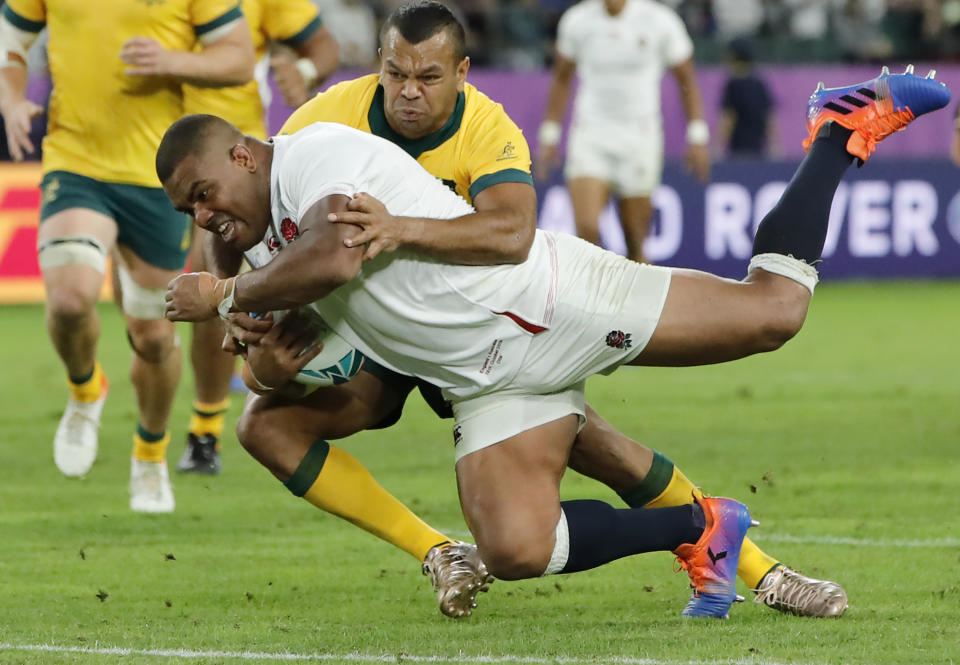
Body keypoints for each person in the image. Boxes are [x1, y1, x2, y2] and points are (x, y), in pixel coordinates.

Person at [158, 69, 949, 616]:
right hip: (492, 381)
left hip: (555, 300)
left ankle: (838, 130)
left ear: (243, 153)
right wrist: (261, 352)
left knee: (773, 312)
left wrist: (225, 295)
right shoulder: (251, 244)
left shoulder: (313, 151)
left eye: (203, 194)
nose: (202, 216)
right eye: (187, 209)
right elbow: (276, 359)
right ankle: (702, 526)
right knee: (514, 548)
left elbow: (334, 250)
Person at [0, 0, 256, 512]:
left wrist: (174, 60)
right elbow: (11, 41)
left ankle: (149, 452)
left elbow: (239, 57)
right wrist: (9, 98)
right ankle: (85, 388)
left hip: (152, 179)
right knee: (70, 302)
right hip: (74, 164)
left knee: (154, 337)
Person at [178, 0, 339, 476]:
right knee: (147, 321)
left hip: (226, 169)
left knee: (207, 285)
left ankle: (206, 426)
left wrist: (305, 69)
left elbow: (323, 45)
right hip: (138, 161)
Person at [534, 0, 710, 264]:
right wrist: (549, 135)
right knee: (586, 232)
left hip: (639, 137)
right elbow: (561, 78)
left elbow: (686, 79)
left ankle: (635, 303)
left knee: (636, 243)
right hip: (591, 134)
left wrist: (697, 137)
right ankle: (592, 303)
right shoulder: (577, 20)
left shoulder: (660, 21)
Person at [718, 37, 777, 159]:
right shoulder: (758, 83)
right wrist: (775, 146)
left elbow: (729, 117)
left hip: (738, 151)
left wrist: (718, 147)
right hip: (758, 149)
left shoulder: (733, 85)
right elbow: (768, 117)